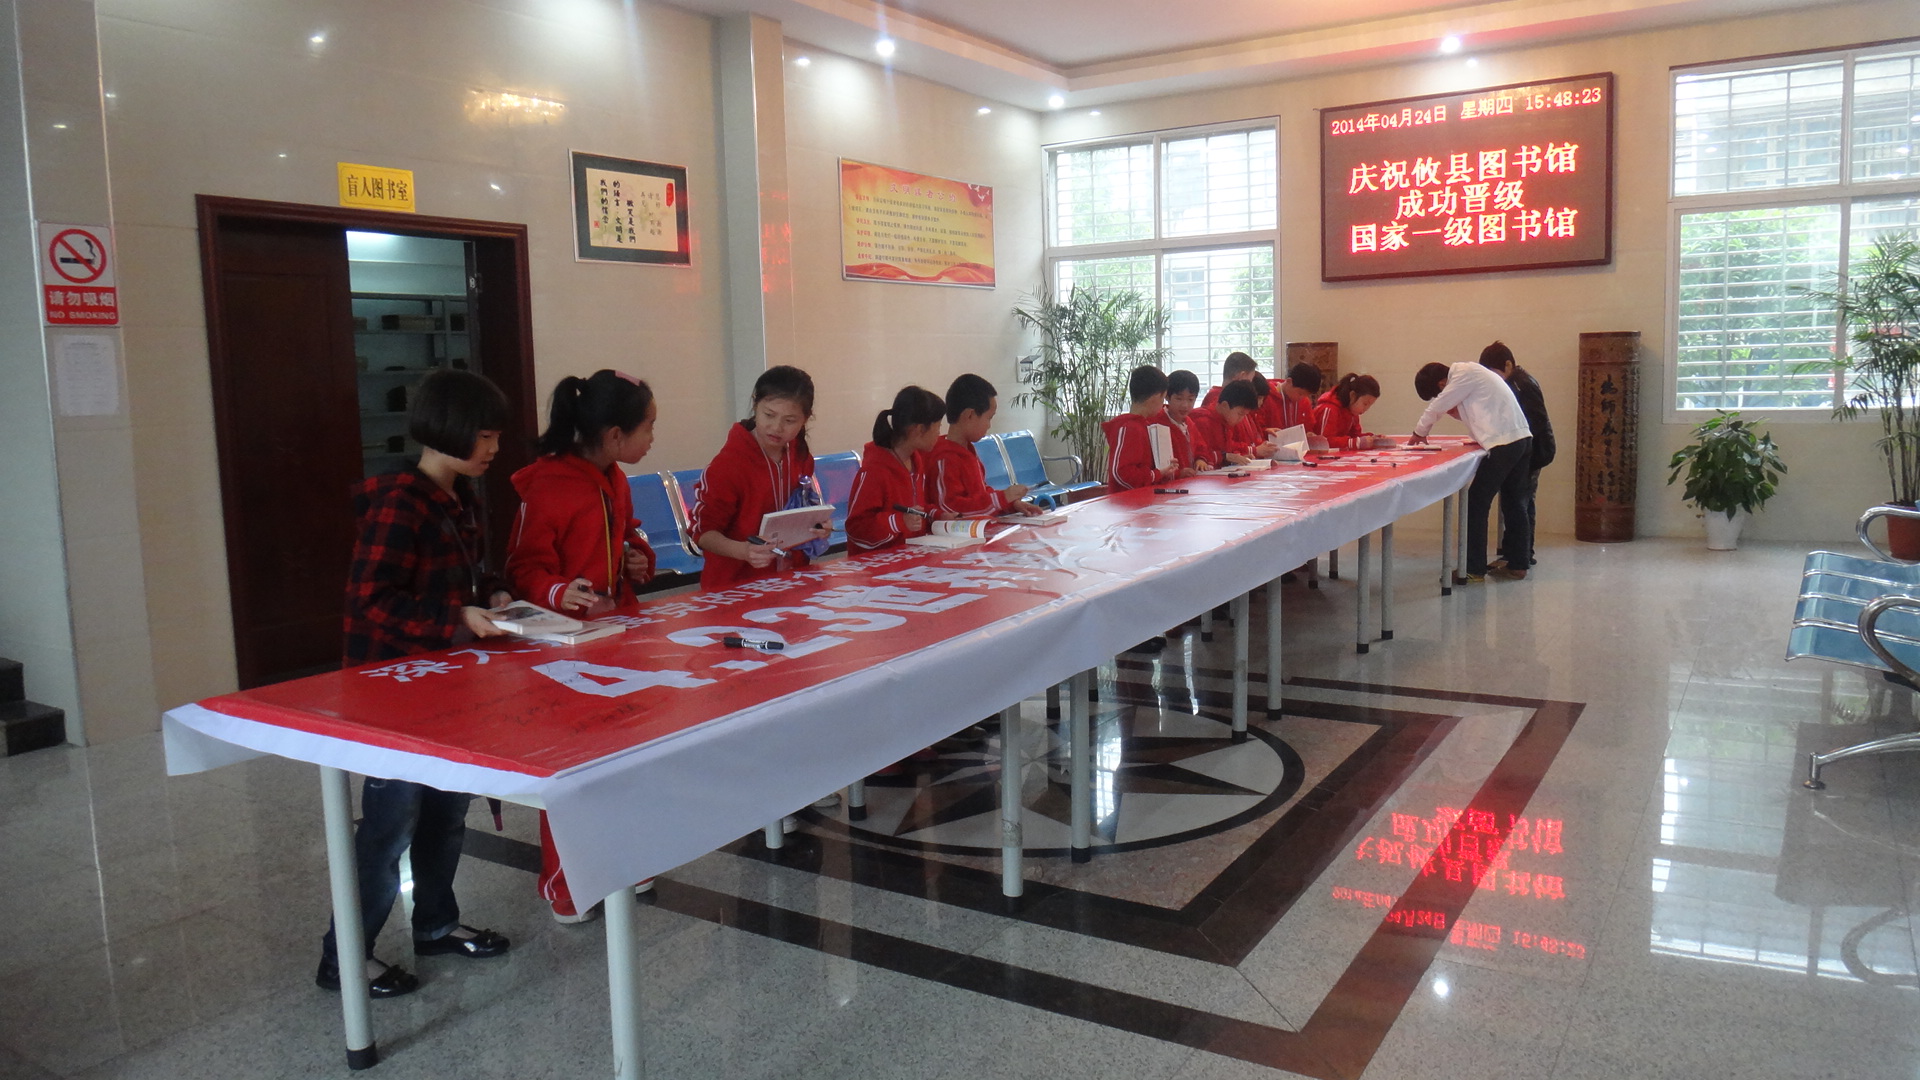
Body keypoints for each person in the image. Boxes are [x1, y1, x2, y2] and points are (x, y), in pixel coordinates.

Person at [319, 368, 514, 1000]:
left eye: (496, 436)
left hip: (447, 684)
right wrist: (455, 618)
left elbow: (468, 576)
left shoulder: (460, 495)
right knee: (389, 824)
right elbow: (371, 600)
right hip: (393, 691)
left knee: (447, 811)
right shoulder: (399, 502)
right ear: (447, 430)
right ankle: (344, 957)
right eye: (484, 436)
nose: (493, 449)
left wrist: (495, 596)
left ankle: (435, 924)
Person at [505, 369, 659, 924]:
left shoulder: (614, 477)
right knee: (572, 769)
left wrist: (639, 558)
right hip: (564, 648)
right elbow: (523, 568)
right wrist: (557, 591)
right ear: (615, 435)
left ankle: (621, 858)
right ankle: (565, 883)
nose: (652, 439)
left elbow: (627, 533)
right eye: (648, 427)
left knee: (626, 749)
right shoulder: (548, 486)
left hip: (616, 635)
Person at [691, 366, 830, 590]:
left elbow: (801, 510)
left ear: (805, 419)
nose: (776, 427)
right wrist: (743, 551)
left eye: (789, 420)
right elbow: (703, 534)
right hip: (735, 587)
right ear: (755, 405)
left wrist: (817, 526)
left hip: (790, 581)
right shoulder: (727, 466)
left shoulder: (800, 456)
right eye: (769, 415)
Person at [1410, 360, 1534, 583]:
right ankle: (1518, 564)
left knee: (1476, 502)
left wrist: (1419, 433)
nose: (1441, 396)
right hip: (1521, 439)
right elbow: (1478, 412)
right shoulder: (1472, 374)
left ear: (1441, 384)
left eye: (1438, 393)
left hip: (1505, 444)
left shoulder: (1463, 374)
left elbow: (1436, 408)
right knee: (1515, 502)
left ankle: (1474, 568)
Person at [1478, 341, 1555, 568]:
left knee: (1520, 503)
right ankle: (1513, 554)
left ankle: (1521, 555)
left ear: (1508, 365)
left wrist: (1517, 447)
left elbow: (1535, 422)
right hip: (1525, 452)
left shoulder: (1523, 385)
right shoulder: (1514, 383)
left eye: (1494, 373)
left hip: (1533, 452)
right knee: (1516, 503)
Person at [847, 385, 949, 550]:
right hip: (879, 562)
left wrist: (937, 515)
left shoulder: (916, 461)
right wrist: (899, 521)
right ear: (919, 429)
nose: (939, 432)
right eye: (938, 426)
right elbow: (856, 528)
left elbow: (917, 508)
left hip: (912, 554)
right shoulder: (875, 470)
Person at [927, 373, 1041, 518]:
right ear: (969, 415)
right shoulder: (945, 458)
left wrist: (1011, 504)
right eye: (989, 418)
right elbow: (951, 509)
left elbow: (980, 495)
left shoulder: (968, 451)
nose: (989, 425)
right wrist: (1001, 499)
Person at [1103, 365, 1176, 491]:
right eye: (1163, 398)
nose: (1163, 404)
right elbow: (1121, 473)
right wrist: (1156, 474)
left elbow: (1145, 467)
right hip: (1127, 500)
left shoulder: (1143, 425)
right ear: (1155, 397)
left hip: (1143, 497)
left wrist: (1164, 469)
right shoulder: (1129, 427)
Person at [1188, 381, 1260, 467]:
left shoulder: (1225, 421)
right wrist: (1225, 457)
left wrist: (1237, 457)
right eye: (1240, 414)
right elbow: (1200, 455)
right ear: (1225, 405)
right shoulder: (1202, 421)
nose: (1241, 419)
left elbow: (1225, 450)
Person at [1155, 369, 1205, 477]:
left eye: (1190, 400)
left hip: (1189, 481)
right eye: (1179, 399)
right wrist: (1178, 473)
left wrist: (1200, 459)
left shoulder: (1189, 423)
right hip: (1170, 484)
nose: (1185, 405)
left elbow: (1201, 448)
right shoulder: (1158, 424)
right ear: (1167, 397)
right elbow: (1157, 466)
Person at [1313, 373, 1382, 449]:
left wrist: (1372, 439)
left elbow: (1354, 436)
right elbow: (1324, 442)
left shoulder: (1352, 412)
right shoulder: (1329, 409)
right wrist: (1355, 442)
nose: (1366, 409)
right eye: (1365, 404)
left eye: (1369, 405)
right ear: (1352, 395)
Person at [1270, 362, 1323, 431]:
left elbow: (1309, 426)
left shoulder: (1304, 402)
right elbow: (1259, 429)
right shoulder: (1266, 397)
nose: (1302, 398)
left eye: (1307, 395)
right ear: (1289, 381)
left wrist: (1309, 433)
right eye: (1300, 393)